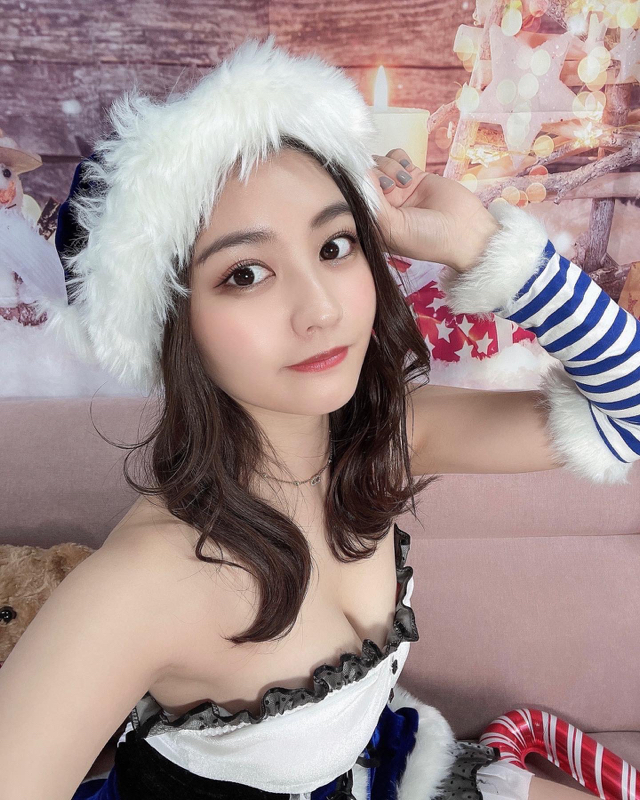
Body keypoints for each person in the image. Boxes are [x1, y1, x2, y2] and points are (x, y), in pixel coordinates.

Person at [1, 35, 637, 800]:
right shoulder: (142, 583)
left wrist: (485, 248)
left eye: (335, 245)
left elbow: (625, 416)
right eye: (246, 273)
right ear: (173, 323)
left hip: (382, 769)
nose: (322, 308)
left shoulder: (385, 438)